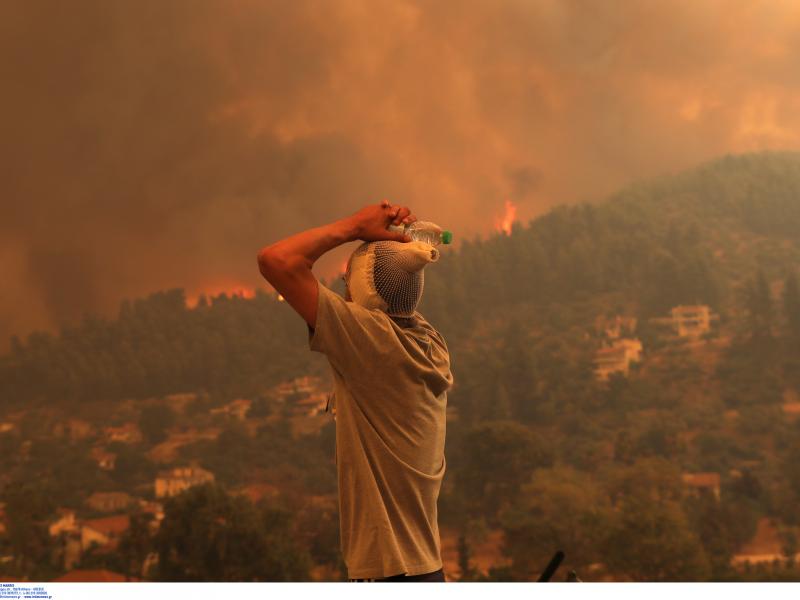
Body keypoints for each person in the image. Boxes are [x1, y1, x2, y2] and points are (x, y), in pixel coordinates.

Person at [257, 200, 453, 582]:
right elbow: (396, 294)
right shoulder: (430, 343)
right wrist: (398, 247)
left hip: (388, 574)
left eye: (348, 282)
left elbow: (276, 260)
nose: (343, 292)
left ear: (362, 292)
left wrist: (356, 227)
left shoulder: (371, 341)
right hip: (426, 569)